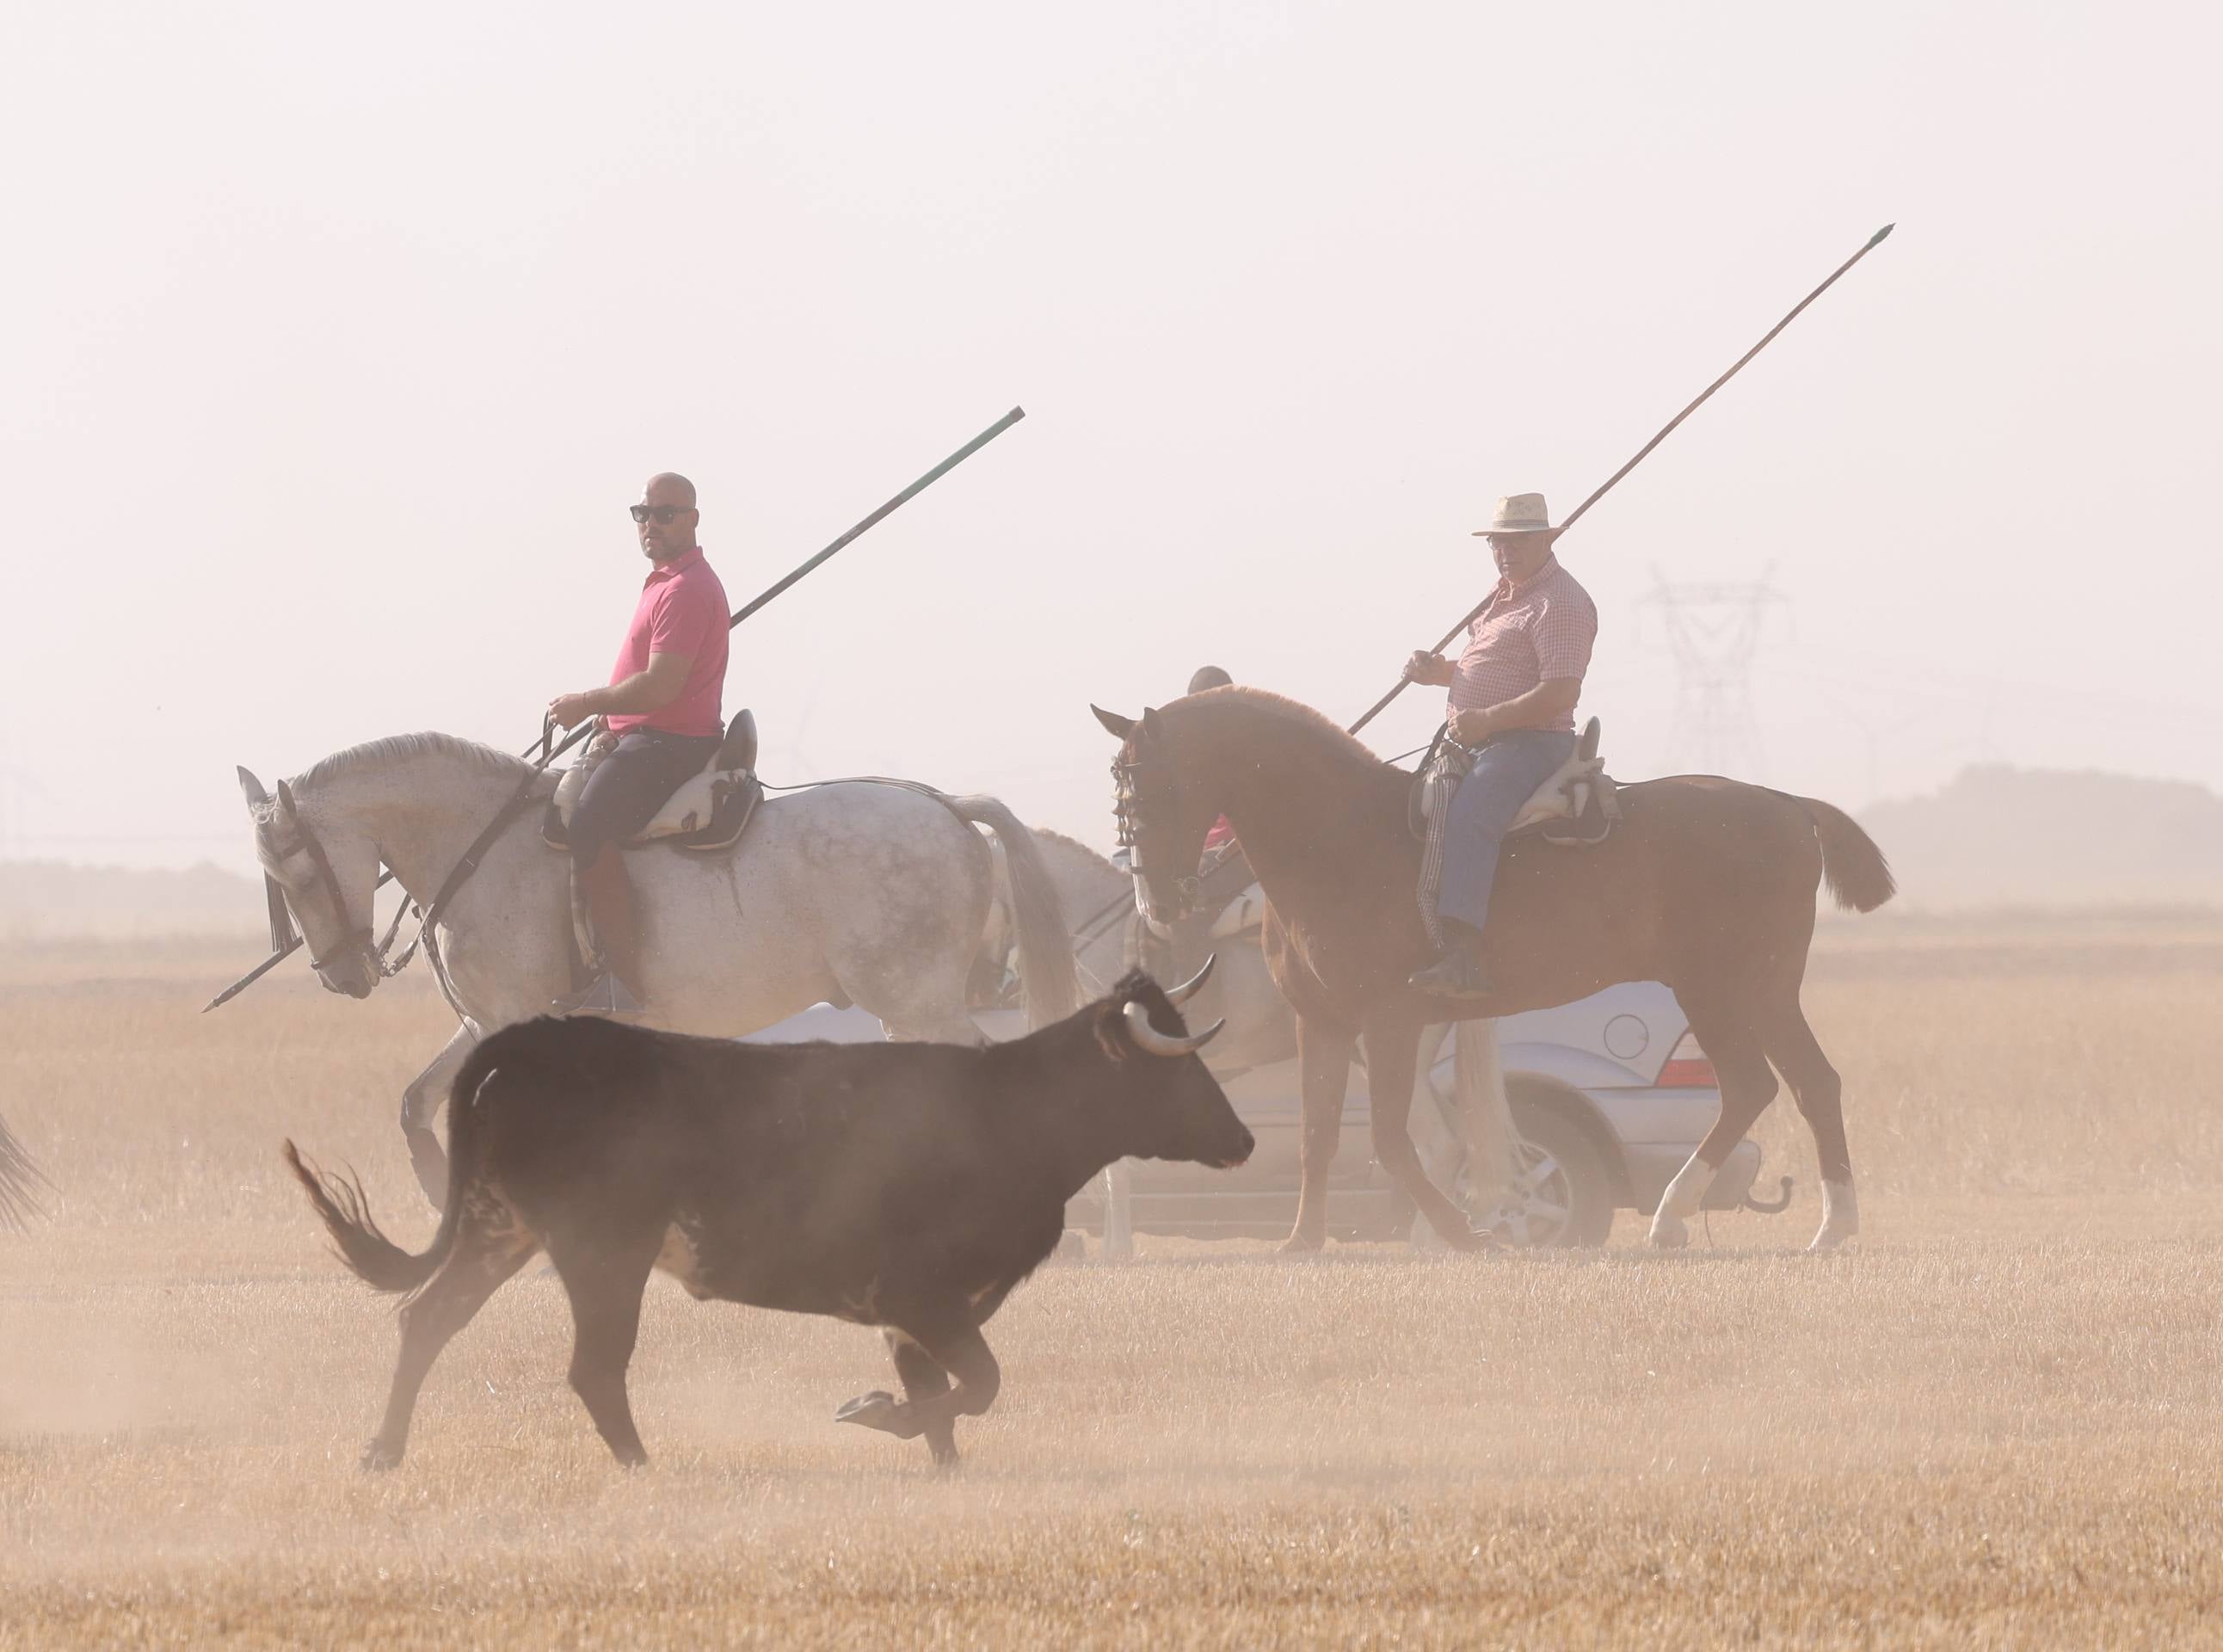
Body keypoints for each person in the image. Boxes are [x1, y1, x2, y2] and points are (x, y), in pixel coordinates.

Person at [545, 472, 731, 1013]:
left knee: (587, 827)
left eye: (666, 514)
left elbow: (661, 685)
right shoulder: (666, 581)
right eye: (643, 514)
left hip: (670, 743)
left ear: (693, 519)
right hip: (644, 734)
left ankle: (624, 982)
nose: (652, 524)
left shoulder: (686, 588)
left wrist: (587, 704)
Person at [1402, 492, 1597, 998]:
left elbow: (1560, 691)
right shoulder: (1504, 595)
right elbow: (1496, 673)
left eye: (1519, 541)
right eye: (1498, 542)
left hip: (1532, 743)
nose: (1506, 551)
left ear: (1547, 541)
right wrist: (1440, 674)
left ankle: (1463, 959)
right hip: (1485, 738)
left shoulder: (1561, 603)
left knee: (1471, 813)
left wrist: (1485, 721)